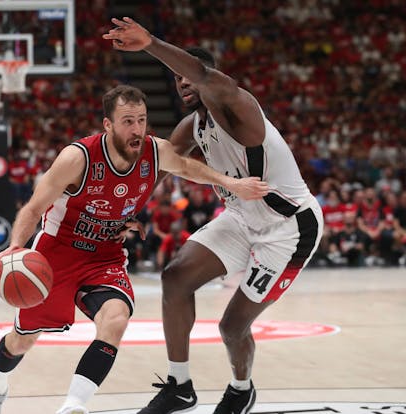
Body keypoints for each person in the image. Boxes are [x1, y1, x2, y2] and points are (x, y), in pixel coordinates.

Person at [0, 85, 269, 414]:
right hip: (57, 255)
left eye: (141, 120)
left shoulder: (155, 151)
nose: (136, 129)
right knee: (22, 341)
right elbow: (32, 209)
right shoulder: (78, 158)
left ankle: (74, 406)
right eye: (127, 121)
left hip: (105, 257)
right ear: (108, 125)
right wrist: (16, 246)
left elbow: (187, 167)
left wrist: (232, 184)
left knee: (115, 320)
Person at [104, 19, 324, 414]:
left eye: (185, 76)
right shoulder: (193, 125)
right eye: (176, 81)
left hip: (289, 229)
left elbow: (203, 74)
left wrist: (151, 43)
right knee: (174, 277)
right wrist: (124, 215)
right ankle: (179, 385)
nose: (182, 84)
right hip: (241, 217)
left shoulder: (238, 103)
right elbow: (157, 168)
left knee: (231, 327)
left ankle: (242, 389)